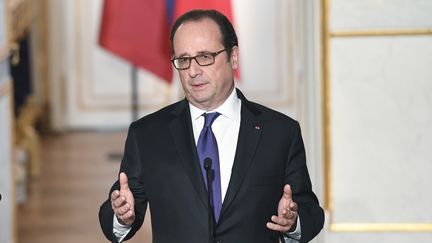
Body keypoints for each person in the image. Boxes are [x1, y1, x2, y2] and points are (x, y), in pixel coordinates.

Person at [99, 9, 324, 243]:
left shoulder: (280, 132)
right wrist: (121, 216)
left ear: (233, 56)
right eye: (184, 60)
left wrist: (292, 223)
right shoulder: (147, 134)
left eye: (205, 57)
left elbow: (310, 212)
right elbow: (116, 210)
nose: (193, 71)